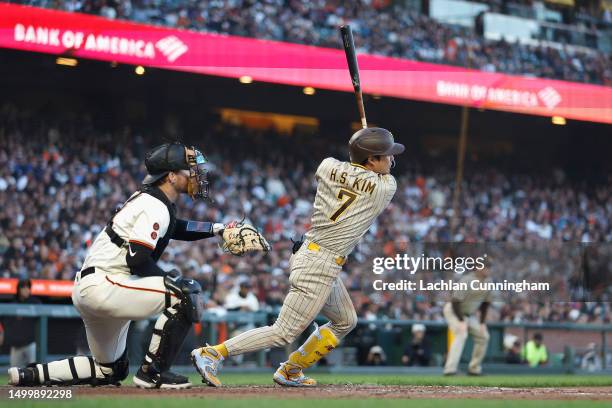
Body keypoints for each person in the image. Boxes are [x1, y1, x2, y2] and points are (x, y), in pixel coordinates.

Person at [8, 142, 234, 389]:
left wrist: (216, 229)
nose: (195, 175)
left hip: (94, 286)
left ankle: (28, 375)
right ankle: (153, 372)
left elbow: (175, 227)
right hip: (108, 284)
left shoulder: (152, 200)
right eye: (188, 170)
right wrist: (171, 282)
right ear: (170, 176)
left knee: (110, 370)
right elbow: (136, 260)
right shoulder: (154, 205)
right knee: (186, 292)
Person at [191, 127, 404, 387]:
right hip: (319, 263)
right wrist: (364, 154)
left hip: (314, 254)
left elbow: (346, 168)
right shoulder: (385, 187)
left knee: (345, 320)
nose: (392, 160)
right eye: (386, 155)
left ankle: (291, 369)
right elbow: (372, 176)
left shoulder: (327, 166)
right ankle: (212, 353)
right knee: (283, 331)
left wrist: (361, 147)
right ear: (371, 160)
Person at [443, 266, 492, 376]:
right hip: (454, 311)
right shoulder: (467, 280)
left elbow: (485, 304)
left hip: (468, 315)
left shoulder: (488, 282)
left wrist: (482, 322)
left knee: (484, 336)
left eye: (489, 267)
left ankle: (474, 369)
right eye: (485, 267)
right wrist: (461, 321)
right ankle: (450, 370)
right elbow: (455, 301)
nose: (488, 269)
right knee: (461, 334)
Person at [1, 278, 41, 367]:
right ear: (19, 289)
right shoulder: (13, 304)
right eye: (23, 287)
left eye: (28, 287)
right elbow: (5, 321)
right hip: (16, 346)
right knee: (14, 373)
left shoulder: (35, 303)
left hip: (30, 344)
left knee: (34, 371)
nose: (26, 289)